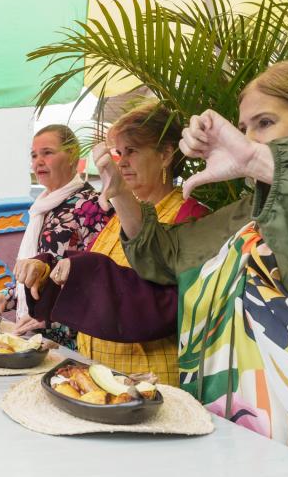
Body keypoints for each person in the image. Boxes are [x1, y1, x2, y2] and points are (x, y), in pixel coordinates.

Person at [21, 60, 288, 477]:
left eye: (265, 123)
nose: (250, 138)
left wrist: (259, 160)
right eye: (245, 128)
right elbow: (167, 258)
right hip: (239, 440)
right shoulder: (249, 212)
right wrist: (122, 192)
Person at [16, 103, 207, 385]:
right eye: (119, 152)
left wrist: (84, 269)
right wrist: (45, 273)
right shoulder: (119, 216)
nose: (121, 162)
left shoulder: (190, 216)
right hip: (98, 369)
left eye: (132, 151)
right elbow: (92, 287)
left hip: (149, 375)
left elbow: (174, 305)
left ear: (166, 154)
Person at [0, 124, 111, 349]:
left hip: (74, 342)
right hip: (37, 336)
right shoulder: (42, 207)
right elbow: (42, 274)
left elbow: (100, 279)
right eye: (34, 155)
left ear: (72, 156)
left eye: (47, 153)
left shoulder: (91, 206)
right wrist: (8, 297)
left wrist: (51, 320)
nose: (38, 161)